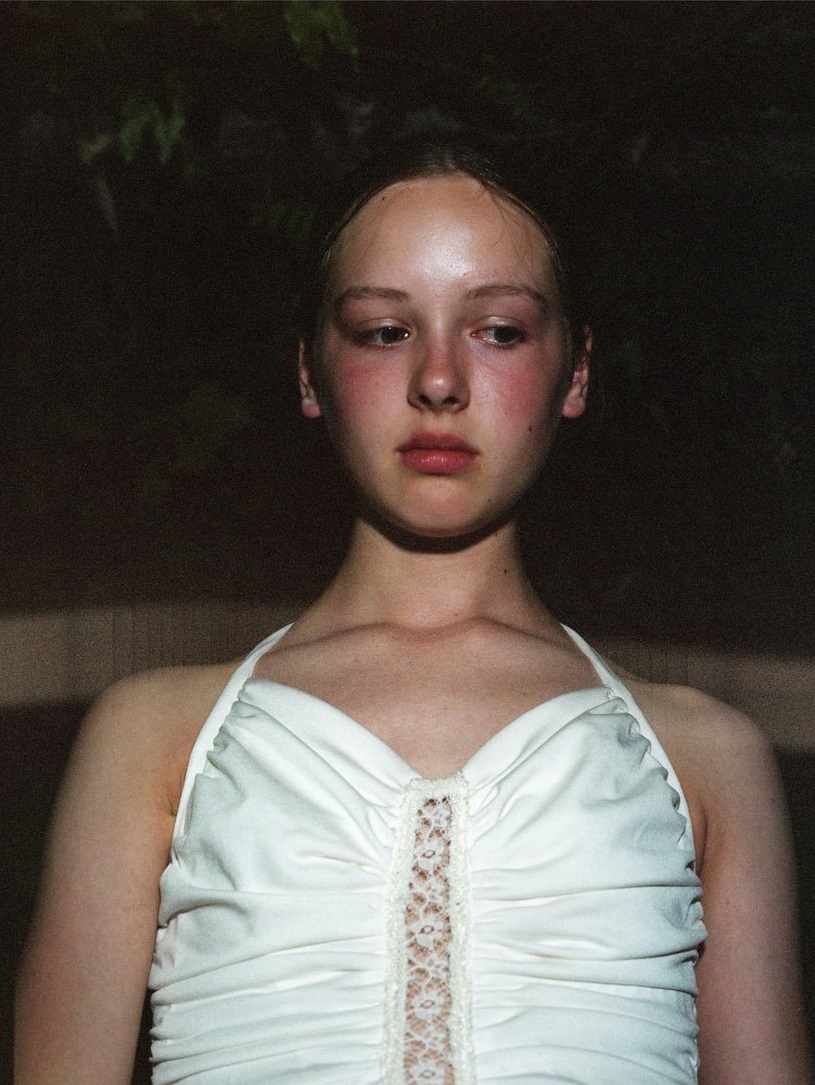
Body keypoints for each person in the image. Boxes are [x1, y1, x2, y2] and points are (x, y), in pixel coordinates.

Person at [15, 142, 812, 1085]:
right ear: (309, 372)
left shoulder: (704, 756)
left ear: (576, 370)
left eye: (500, 330)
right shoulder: (155, 737)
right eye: (384, 331)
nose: (439, 380)